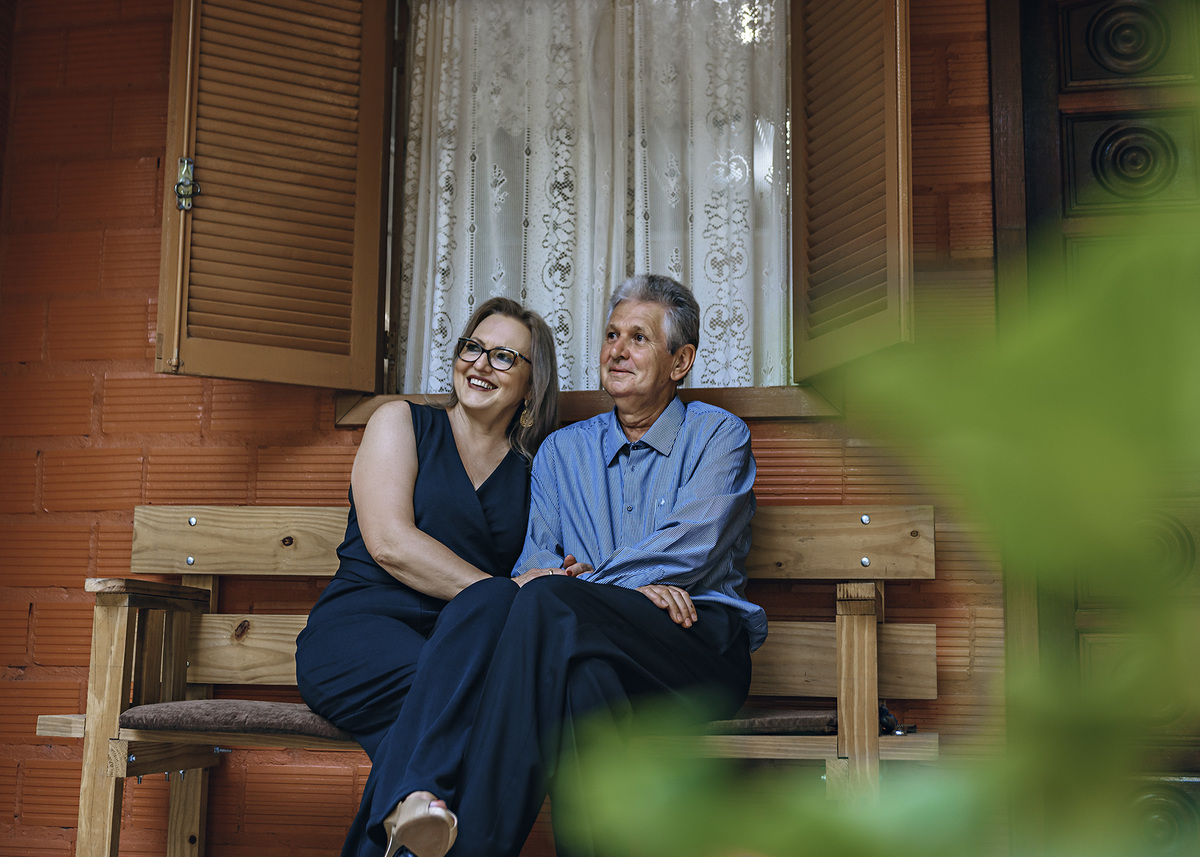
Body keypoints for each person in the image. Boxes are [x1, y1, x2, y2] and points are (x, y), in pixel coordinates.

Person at [358, 274, 766, 857]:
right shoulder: (560, 452)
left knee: (551, 607)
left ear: (681, 361)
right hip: (595, 654)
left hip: (695, 648)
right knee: (580, 682)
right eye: (611, 335)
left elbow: (688, 548)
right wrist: (620, 597)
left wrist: (596, 593)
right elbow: (538, 565)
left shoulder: (718, 436)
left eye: (639, 338)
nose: (617, 351)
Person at [292, 297, 563, 855]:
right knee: (489, 714)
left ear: (532, 385)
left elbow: (549, 563)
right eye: (473, 347)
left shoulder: (536, 472)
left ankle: (414, 805)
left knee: (455, 716)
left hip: (457, 645)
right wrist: (501, 591)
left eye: (504, 357)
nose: (480, 364)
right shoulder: (402, 422)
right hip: (359, 633)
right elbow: (389, 544)